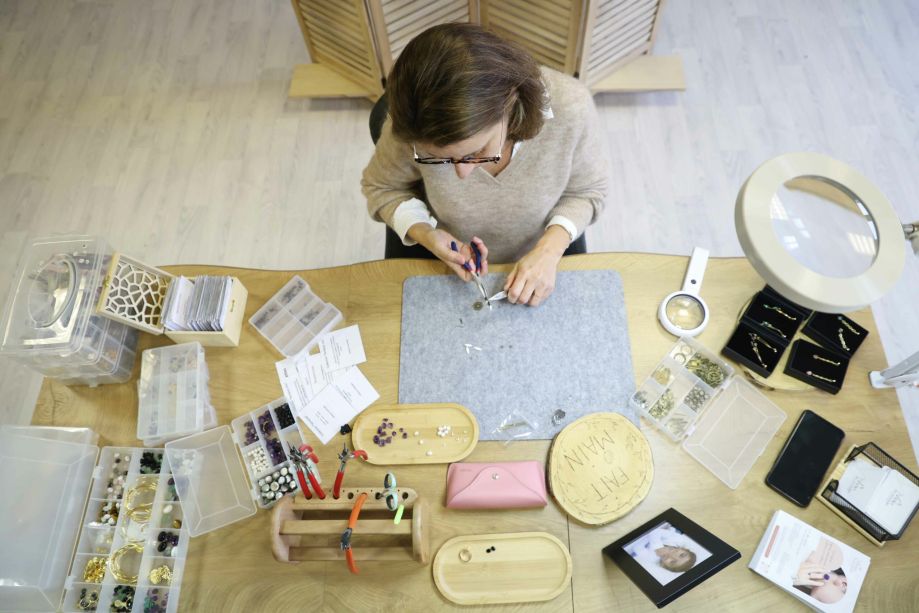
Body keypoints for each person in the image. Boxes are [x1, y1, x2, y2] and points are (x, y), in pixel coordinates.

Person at [361, 23, 610, 307]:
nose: (462, 174)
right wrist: (426, 234)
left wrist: (549, 250)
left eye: (477, 151)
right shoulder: (410, 125)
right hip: (447, 267)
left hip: (541, 252)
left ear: (510, 103)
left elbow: (589, 191)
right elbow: (381, 187)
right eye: (440, 158)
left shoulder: (571, 108)